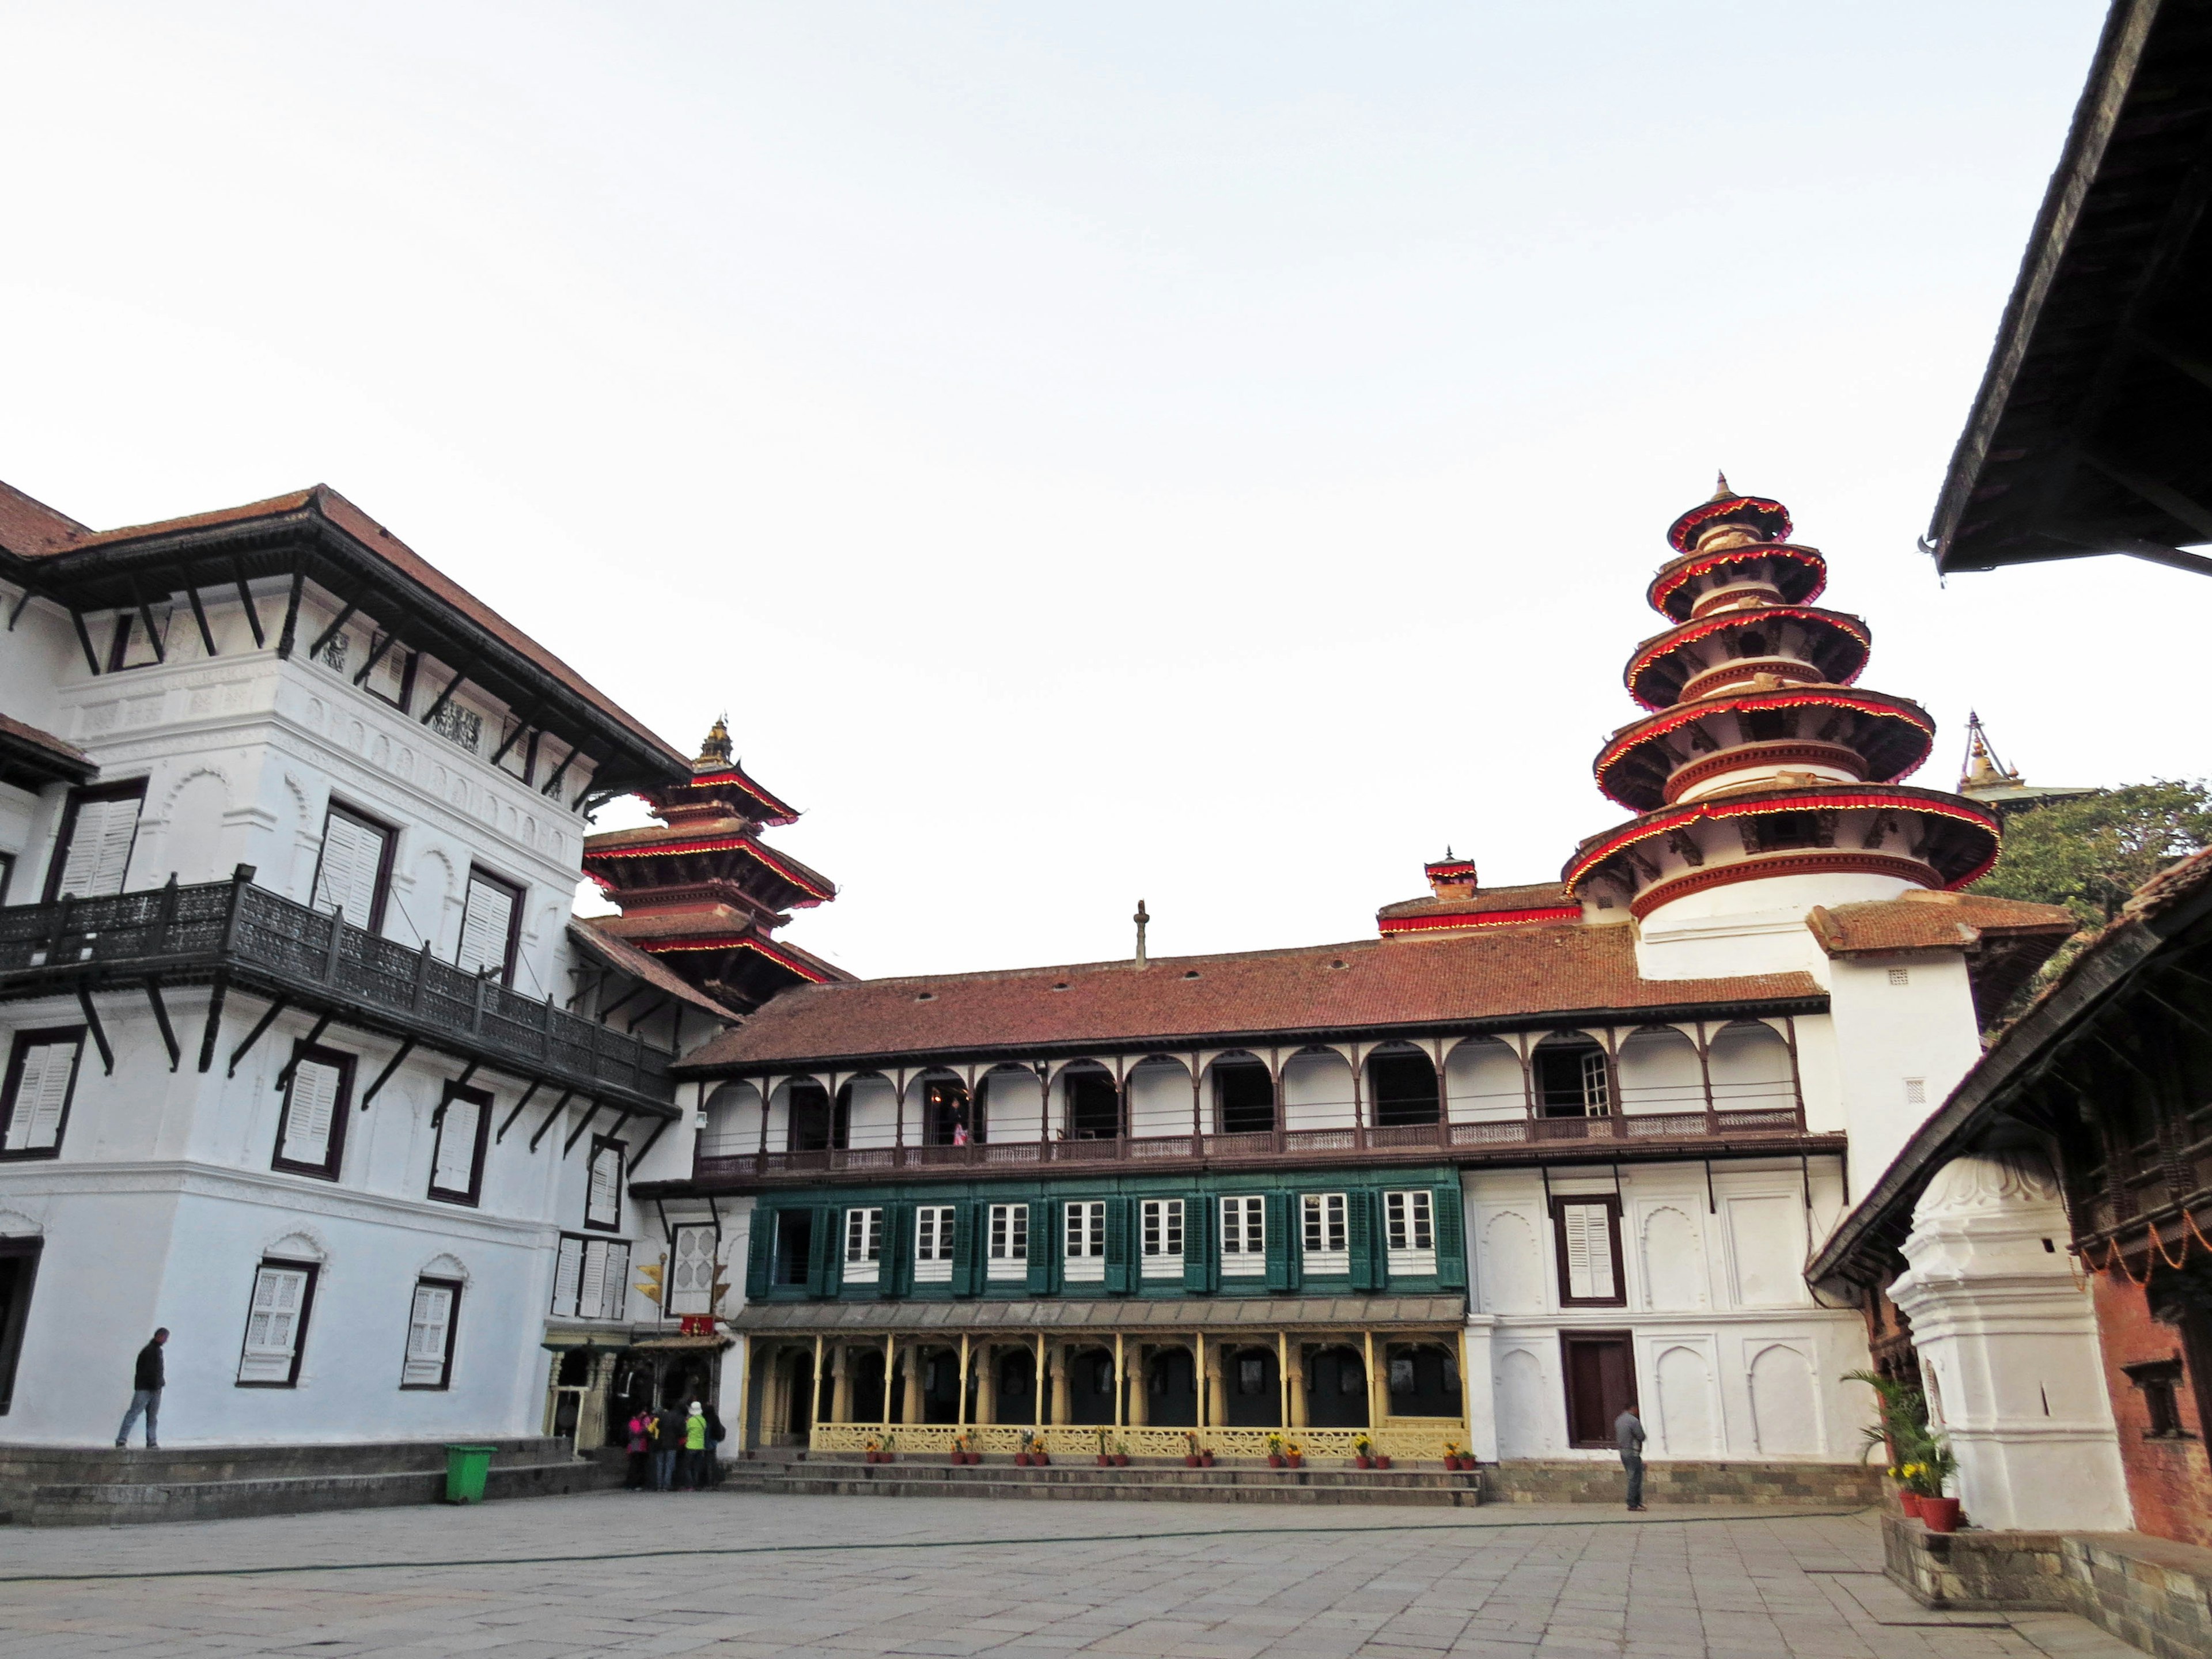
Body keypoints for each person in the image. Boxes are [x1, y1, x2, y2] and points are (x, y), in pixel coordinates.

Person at [115, 1328, 168, 1450]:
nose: (165, 1340)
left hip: (152, 1388)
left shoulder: (154, 1351)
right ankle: (123, 1440)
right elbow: (149, 1371)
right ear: (159, 1336)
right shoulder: (150, 1351)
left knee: (149, 1416)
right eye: (164, 1338)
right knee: (137, 1414)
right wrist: (157, 1384)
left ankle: (150, 1441)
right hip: (146, 1388)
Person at [1616, 1404, 1647, 1512]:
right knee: (1635, 1478)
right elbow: (1641, 1436)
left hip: (1623, 1451)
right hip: (1633, 1452)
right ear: (1633, 1408)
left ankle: (1636, 1502)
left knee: (1632, 1476)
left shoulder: (1619, 1420)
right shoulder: (1633, 1421)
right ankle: (1633, 1503)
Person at [651, 1400, 681, 1492]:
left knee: (660, 1465)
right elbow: (680, 1432)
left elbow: (657, 1428)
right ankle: (666, 1485)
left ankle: (659, 1485)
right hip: (672, 1444)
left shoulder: (661, 1417)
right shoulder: (676, 1418)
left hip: (660, 1443)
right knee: (669, 1465)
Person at [682, 1399, 709, 1490]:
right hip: (701, 1446)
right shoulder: (703, 1420)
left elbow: (686, 1430)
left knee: (688, 1467)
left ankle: (690, 1485)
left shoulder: (691, 1420)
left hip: (691, 1446)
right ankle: (696, 1484)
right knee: (697, 1467)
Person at [623, 1408, 651, 1490]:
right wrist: (646, 1428)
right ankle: (632, 1484)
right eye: (643, 1412)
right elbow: (637, 1432)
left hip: (640, 1447)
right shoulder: (635, 1422)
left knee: (638, 1466)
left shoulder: (639, 1422)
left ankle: (635, 1484)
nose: (644, 1413)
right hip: (636, 1447)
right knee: (635, 1467)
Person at [703, 1400, 726, 1486]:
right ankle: (712, 1481)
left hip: (705, 1443)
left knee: (706, 1463)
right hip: (713, 1443)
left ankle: (706, 1481)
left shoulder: (703, 1418)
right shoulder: (715, 1418)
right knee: (712, 1462)